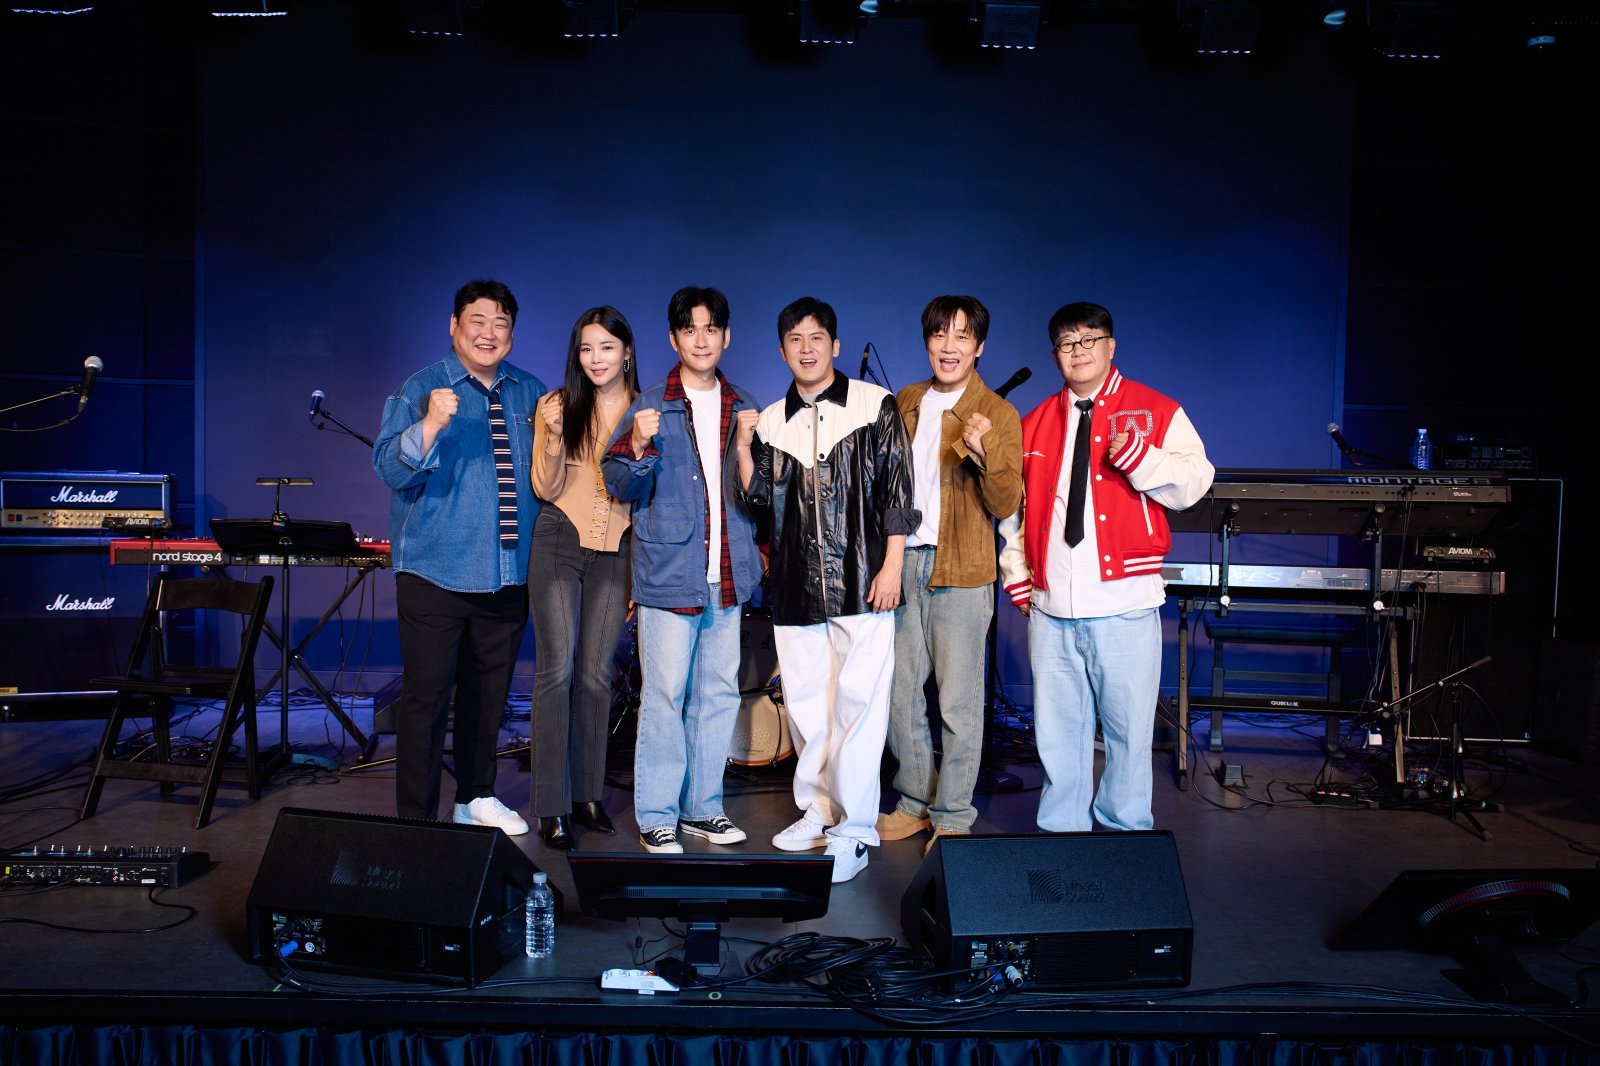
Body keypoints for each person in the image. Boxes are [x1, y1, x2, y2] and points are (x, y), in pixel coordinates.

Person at [997, 301, 1213, 833]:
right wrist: (1018, 576)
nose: (1079, 351)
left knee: (1128, 734)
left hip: (1125, 604)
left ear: (1110, 346)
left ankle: (1124, 836)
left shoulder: (1156, 409)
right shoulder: (1034, 422)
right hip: (1051, 608)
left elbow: (1195, 481)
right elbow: (1014, 513)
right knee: (1057, 735)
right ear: (1055, 355)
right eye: (1067, 343)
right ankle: (1061, 833)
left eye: (1089, 339)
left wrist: (1141, 458)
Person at [736, 296, 917, 884]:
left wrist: (891, 567)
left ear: (835, 346)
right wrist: (742, 448)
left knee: (859, 709)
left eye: (817, 337)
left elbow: (898, 493)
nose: (807, 348)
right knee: (809, 710)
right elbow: (759, 505)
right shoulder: (770, 420)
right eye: (795, 339)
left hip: (863, 580)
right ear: (782, 350)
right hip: (794, 589)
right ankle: (817, 811)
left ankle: (856, 829)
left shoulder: (874, 404)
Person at [373, 278, 544, 834]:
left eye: (500, 323)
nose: (488, 333)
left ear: (512, 333)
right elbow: (389, 469)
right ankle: (417, 819)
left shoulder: (531, 393)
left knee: (488, 699)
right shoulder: (421, 387)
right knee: (425, 702)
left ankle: (476, 798)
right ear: (454, 325)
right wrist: (429, 425)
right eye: (477, 320)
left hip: (508, 571)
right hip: (435, 571)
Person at [601, 286, 764, 855]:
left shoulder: (744, 406)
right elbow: (618, 483)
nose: (701, 339)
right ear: (673, 339)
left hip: (728, 572)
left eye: (711, 328)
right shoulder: (651, 404)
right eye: (689, 329)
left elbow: (762, 497)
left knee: (717, 695)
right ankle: (656, 815)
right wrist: (638, 443)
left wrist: (748, 448)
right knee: (665, 697)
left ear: (726, 336)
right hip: (669, 573)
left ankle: (702, 808)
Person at [881, 296, 1022, 856]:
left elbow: (1006, 500)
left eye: (962, 336)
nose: (949, 346)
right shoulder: (906, 401)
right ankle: (915, 801)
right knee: (899, 694)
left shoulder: (996, 411)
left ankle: (954, 814)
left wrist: (983, 449)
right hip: (903, 562)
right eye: (940, 334)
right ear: (927, 342)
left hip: (962, 568)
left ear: (979, 346)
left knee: (959, 703)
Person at [526, 306, 641, 850]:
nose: (596, 359)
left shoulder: (647, 411)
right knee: (558, 670)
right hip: (558, 539)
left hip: (617, 549)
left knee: (596, 676)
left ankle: (587, 796)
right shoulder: (556, 405)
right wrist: (553, 438)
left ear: (627, 353)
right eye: (587, 348)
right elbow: (544, 488)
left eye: (607, 347)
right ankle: (551, 805)